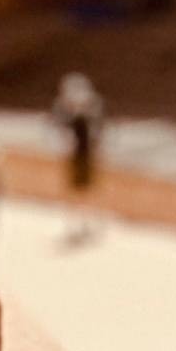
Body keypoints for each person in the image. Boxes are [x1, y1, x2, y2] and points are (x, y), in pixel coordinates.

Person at [51, 73, 105, 245]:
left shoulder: (92, 110)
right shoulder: (64, 111)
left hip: (87, 156)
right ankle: (74, 224)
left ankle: (88, 223)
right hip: (74, 156)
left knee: (89, 190)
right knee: (73, 191)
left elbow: (97, 133)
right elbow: (60, 131)